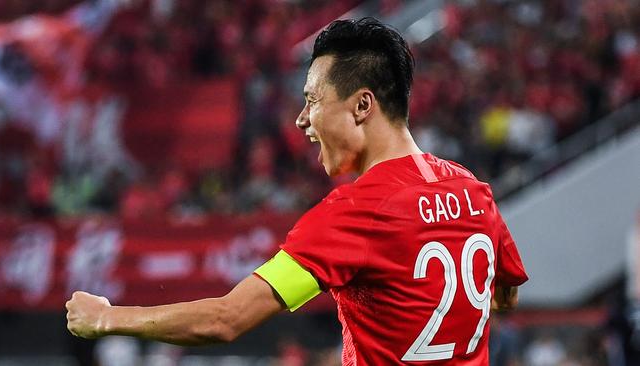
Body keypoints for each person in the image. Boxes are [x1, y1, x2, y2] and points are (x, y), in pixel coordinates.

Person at [66, 17, 528, 365]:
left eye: (312, 100)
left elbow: (225, 321)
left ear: (362, 105)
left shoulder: (353, 213)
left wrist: (107, 318)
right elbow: (504, 292)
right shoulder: (473, 191)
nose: (301, 120)